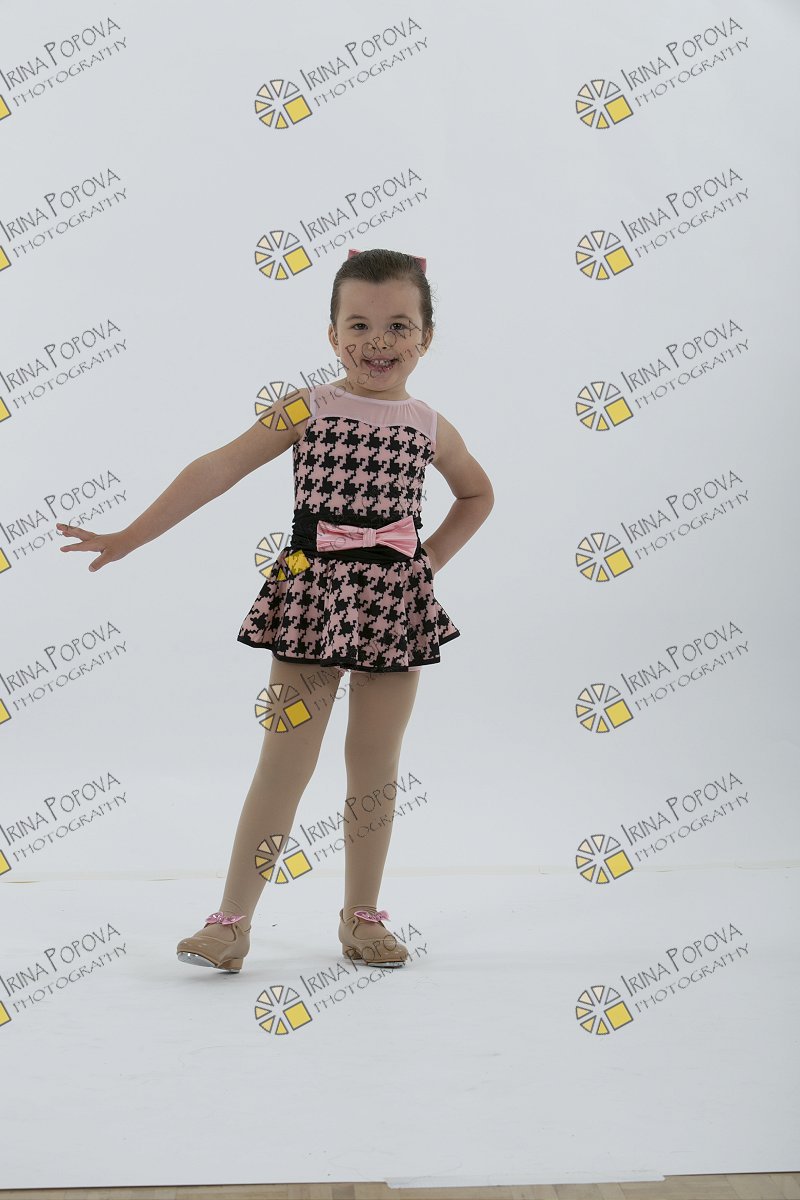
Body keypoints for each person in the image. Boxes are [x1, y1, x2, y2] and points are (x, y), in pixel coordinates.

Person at [55, 247, 494, 973]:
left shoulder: (429, 425)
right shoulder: (307, 406)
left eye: (398, 326)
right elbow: (218, 467)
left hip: (393, 606)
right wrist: (131, 535)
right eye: (358, 325)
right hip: (310, 597)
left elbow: (477, 494)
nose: (377, 342)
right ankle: (231, 922)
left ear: (426, 337)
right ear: (332, 335)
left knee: (374, 766)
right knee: (285, 762)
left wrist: (427, 565)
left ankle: (362, 918)